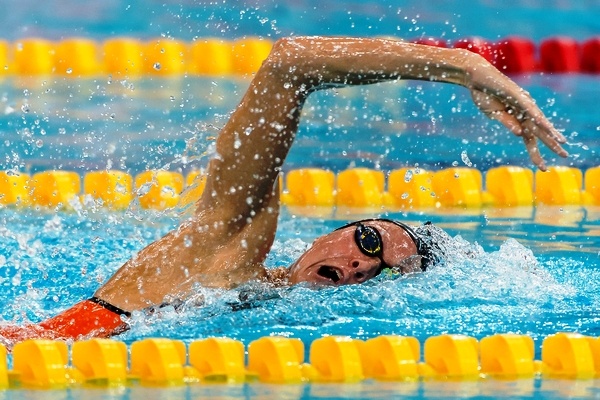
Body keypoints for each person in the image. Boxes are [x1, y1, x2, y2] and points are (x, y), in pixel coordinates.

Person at [0, 36, 567, 344]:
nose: (356, 268)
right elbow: (288, 64)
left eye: (384, 274)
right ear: (339, 228)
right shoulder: (228, 249)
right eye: (369, 241)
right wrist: (462, 65)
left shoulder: (273, 317)